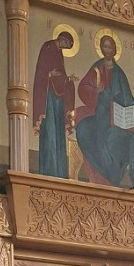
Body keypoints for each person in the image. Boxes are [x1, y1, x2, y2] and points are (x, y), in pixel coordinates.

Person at [74, 34, 134, 186]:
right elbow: (84, 87)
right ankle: (104, 172)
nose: (107, 49)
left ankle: (114, 174)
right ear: (101, 49)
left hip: (117, 115)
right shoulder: (96, 68)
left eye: (110, 47)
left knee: (119, 138)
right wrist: (96, 92)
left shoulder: (119, 73)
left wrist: (133, 107)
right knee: (86, 129)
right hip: (100, 111)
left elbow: (127, 97)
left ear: (114, 50)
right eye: (105, 46)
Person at [32, 29, 76, 178]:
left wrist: (68, 79)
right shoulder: (48, 47)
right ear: (62, 38)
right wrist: (49, 74)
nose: (65, 47)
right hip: (47, 97)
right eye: (66, 44)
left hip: (58, 99)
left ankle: (59, 171)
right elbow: (41, 71)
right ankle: (50, 170)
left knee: (58, 134)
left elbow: (60, 76)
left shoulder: (59, 52)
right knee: (50, 131)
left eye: (67, 47)